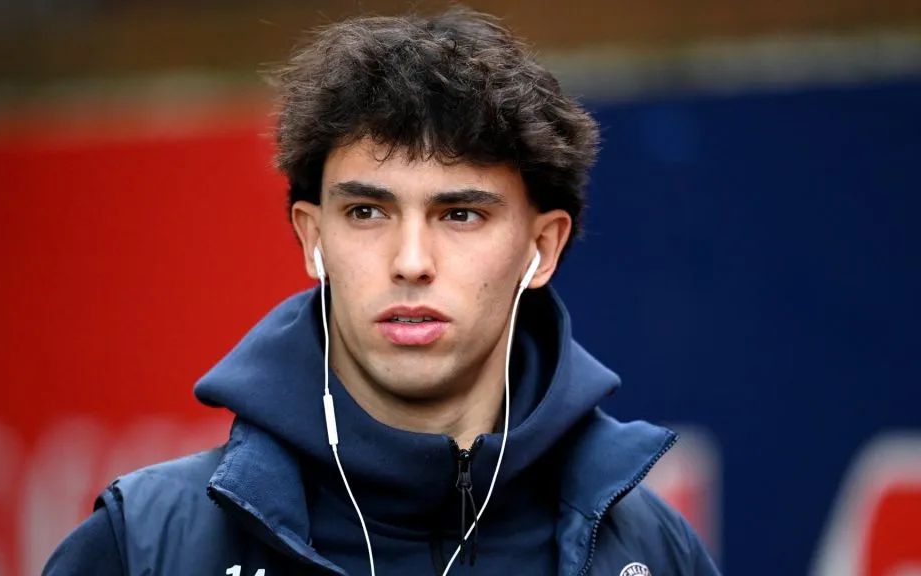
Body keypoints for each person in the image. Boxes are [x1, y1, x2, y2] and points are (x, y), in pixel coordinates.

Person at [43, 6, 720, 576]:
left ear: (540, 249)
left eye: (460, 214)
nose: (411, 260)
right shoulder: (146, 547)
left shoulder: (649, 553)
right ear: (313, 239)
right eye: (367, 212)